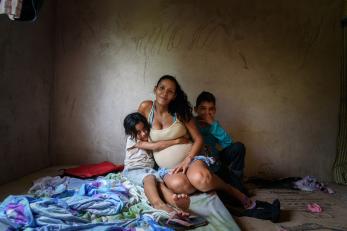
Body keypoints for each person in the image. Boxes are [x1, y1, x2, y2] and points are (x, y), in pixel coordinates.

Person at [138, 75, 255, 210]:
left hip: (192, 159)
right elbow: (136, 134)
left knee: (203, 179)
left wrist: (188, 160)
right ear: (155, 89)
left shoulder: (180, 112)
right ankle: (207, 185)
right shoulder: (146, 107)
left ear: (175, 95)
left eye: (170, 91)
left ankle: (230, 189)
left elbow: (199, 139)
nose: (165, 94)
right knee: (180, 185)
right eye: (162, 88)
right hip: (168, 168)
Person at [122, 112, 190, 217]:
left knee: (159, 184)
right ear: (131, 133)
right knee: (149, 178)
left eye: (144, 129)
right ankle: (158, 204)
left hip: (150, 171)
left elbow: (162, 140)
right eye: (138, 132)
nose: (143, 133)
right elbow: (156, 146)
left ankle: (176, 202)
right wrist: (177, 141)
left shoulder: (150, 136)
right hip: (133, 170)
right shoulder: (132, 140)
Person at [194, 91, 247, 194]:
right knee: (231, 194)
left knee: (238, 147)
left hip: (217, 162)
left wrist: (213, 125)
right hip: (201, 164)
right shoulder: (192, 123)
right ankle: (231, 184)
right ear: (196, 109)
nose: (207, 113)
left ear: (215, 110)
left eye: (211, 109)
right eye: (203, 108)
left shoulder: (214, 125)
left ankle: (236, 178)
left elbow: (228, 144)